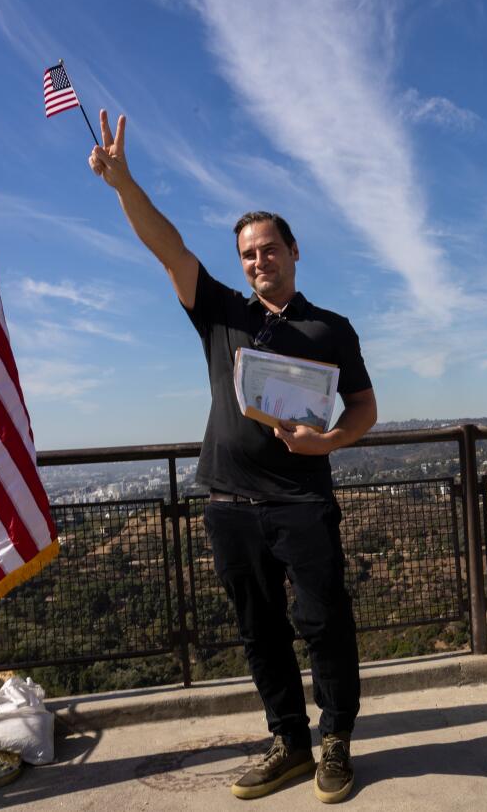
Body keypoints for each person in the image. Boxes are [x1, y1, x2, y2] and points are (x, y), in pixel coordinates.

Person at [89, 110, 377, 804]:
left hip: (303, 503)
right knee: (260, 635)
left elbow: (364, 407)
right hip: (229, 504)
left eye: (269, 248)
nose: (258, 260)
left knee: (325, 625)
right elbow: (170, 247)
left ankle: (335, 742)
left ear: (294, 251)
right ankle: (289, 742)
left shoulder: (330, 328)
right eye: (248, 252)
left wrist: (330, 440)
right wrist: (124, 185)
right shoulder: (219, 310)